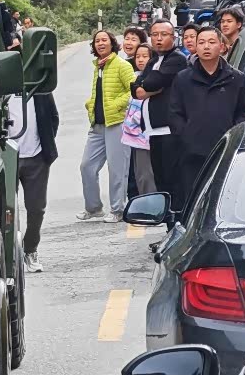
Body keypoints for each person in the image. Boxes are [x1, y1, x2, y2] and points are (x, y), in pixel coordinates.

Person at [169, 26, 245, 210]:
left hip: (225, 150)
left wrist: (234, 137)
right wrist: (186, 136)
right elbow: (175, 113)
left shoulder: (235, 78)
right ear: (196, 47)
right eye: (201, 42)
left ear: (222, 47)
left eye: (211, 42)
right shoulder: (183, 79)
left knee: (222, 199)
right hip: (192, 152)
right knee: (192, 200)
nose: (206, 46)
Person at [79, 30, 135, 223]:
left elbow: (134, 90)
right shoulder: (98, 66)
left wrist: (116, 105)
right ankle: (94, 208)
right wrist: (90, 104)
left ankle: (118, 210)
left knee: (117, 168)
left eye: (104, 40)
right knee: (87, 166)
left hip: (117, 123)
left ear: (112, 44)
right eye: (97, 41)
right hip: (97, 125)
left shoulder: (122, 65)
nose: (100, 43)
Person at [132, 21, 188, 213]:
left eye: (164, 34)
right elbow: (136, 88)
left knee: (173, 181)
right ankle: (167, 221)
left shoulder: (177, 59)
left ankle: (177, 220)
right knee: (161, 181)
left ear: (173, 37)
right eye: (155, 34)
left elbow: (151, 82)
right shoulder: (153, 60)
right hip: (153, 130)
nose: (158, 38)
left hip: (169, 130)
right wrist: (147, 86)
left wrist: (147, 86)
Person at [7, 86, 59, 273]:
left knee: (36, 209)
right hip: (6, 158)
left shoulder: (40, 89)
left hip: (36, 158)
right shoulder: (1, 90)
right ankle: (8, 255)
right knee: (7, 210)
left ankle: (30, 250)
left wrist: (45, 145)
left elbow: (53, 117)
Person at [121, 43, 157, 194]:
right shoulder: (136, 77)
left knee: (146, 176)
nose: (141, 60)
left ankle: (150, 206)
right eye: (138, 56)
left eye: (145, 56)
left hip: (145, 137)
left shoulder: (154, 79)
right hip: (134, 137)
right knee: (139, 175)